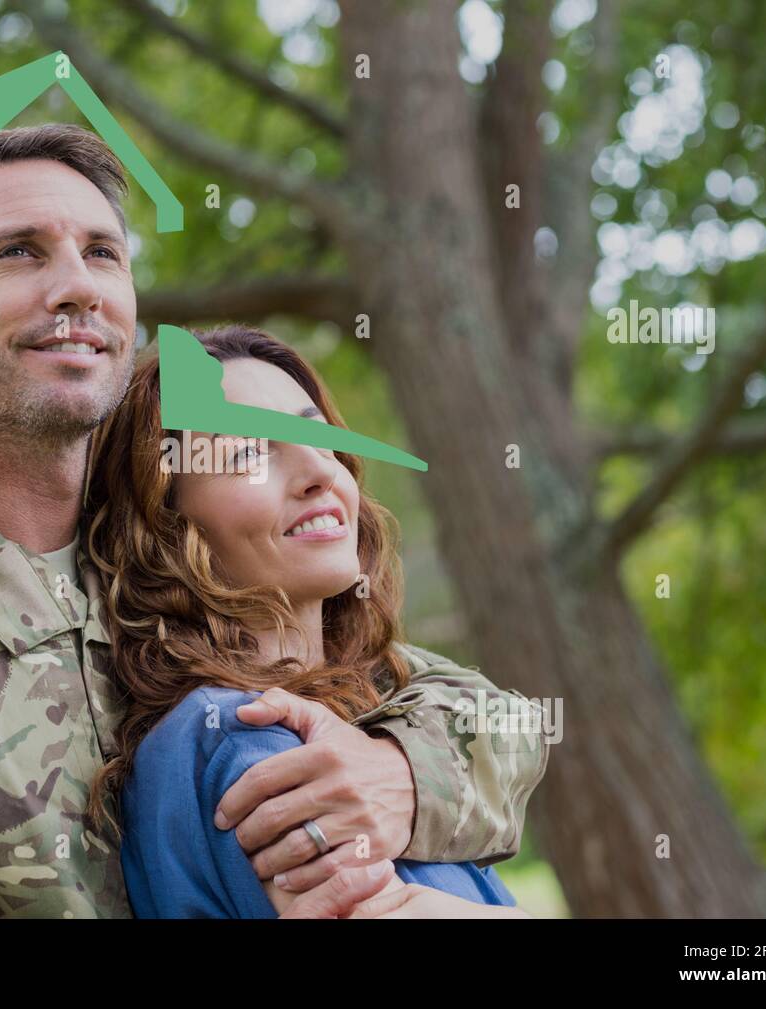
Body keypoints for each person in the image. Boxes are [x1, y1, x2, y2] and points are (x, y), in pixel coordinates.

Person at [0, 124, 545, 918]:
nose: (78, 287)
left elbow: (474, 711)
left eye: (103, 253)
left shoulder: (174, 559)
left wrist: (398, 775)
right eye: (18, 252)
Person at [85, 326, 546, 917]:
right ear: (163, 525)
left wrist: (407, 775)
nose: (318, 471)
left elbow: (507, 720)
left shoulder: (374, 690)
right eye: (249, 451)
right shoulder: (247, 737)